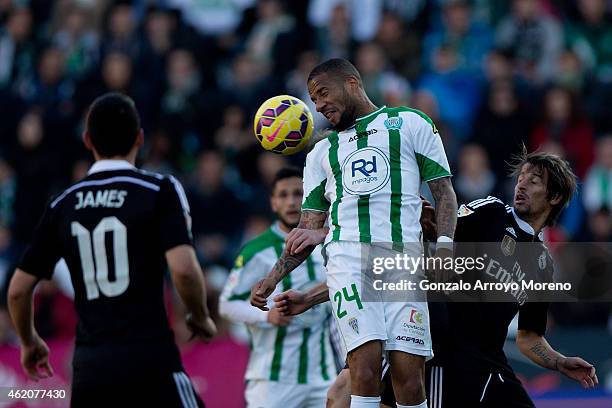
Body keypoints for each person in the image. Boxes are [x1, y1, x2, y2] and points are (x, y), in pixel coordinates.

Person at [275, 149, 599, 407]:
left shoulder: (541, 263)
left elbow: (529, 337)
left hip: (485, 363)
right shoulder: (491, 213)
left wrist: (558, 362)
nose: (521, 185)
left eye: (534, 181)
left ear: (554, 197)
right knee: (343, 393)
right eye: (521, 177)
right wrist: (313, 294)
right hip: (440, 350)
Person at [251, 58, 458, 408]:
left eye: (322, 94)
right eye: (313, 99)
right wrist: (273, 278)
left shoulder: (409, 122)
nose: (318, 106)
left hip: (404, 262)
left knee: (408, 380)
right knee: (363, 370)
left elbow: (444, 192)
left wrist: (445, 247)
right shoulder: (320, 153)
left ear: (351, 83)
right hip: (348, 263)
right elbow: (307, 230)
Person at [7, 93, 216, 408]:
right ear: (139, 138)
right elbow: (184, 269)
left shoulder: (62, 204)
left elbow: (18, 291)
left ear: (87, 140)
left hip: (92, 368)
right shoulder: (159, 190)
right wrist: (198, 315)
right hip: (149, 359)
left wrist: (28, 340)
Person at [219, 167, 335, 408]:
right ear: (273, 203)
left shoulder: (328, 244)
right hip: (272, 382)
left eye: (298, 194)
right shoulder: (256, 251)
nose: (292, 202)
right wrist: (265, 317)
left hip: (322, 378)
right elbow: (226, 305)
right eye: (283, 195)